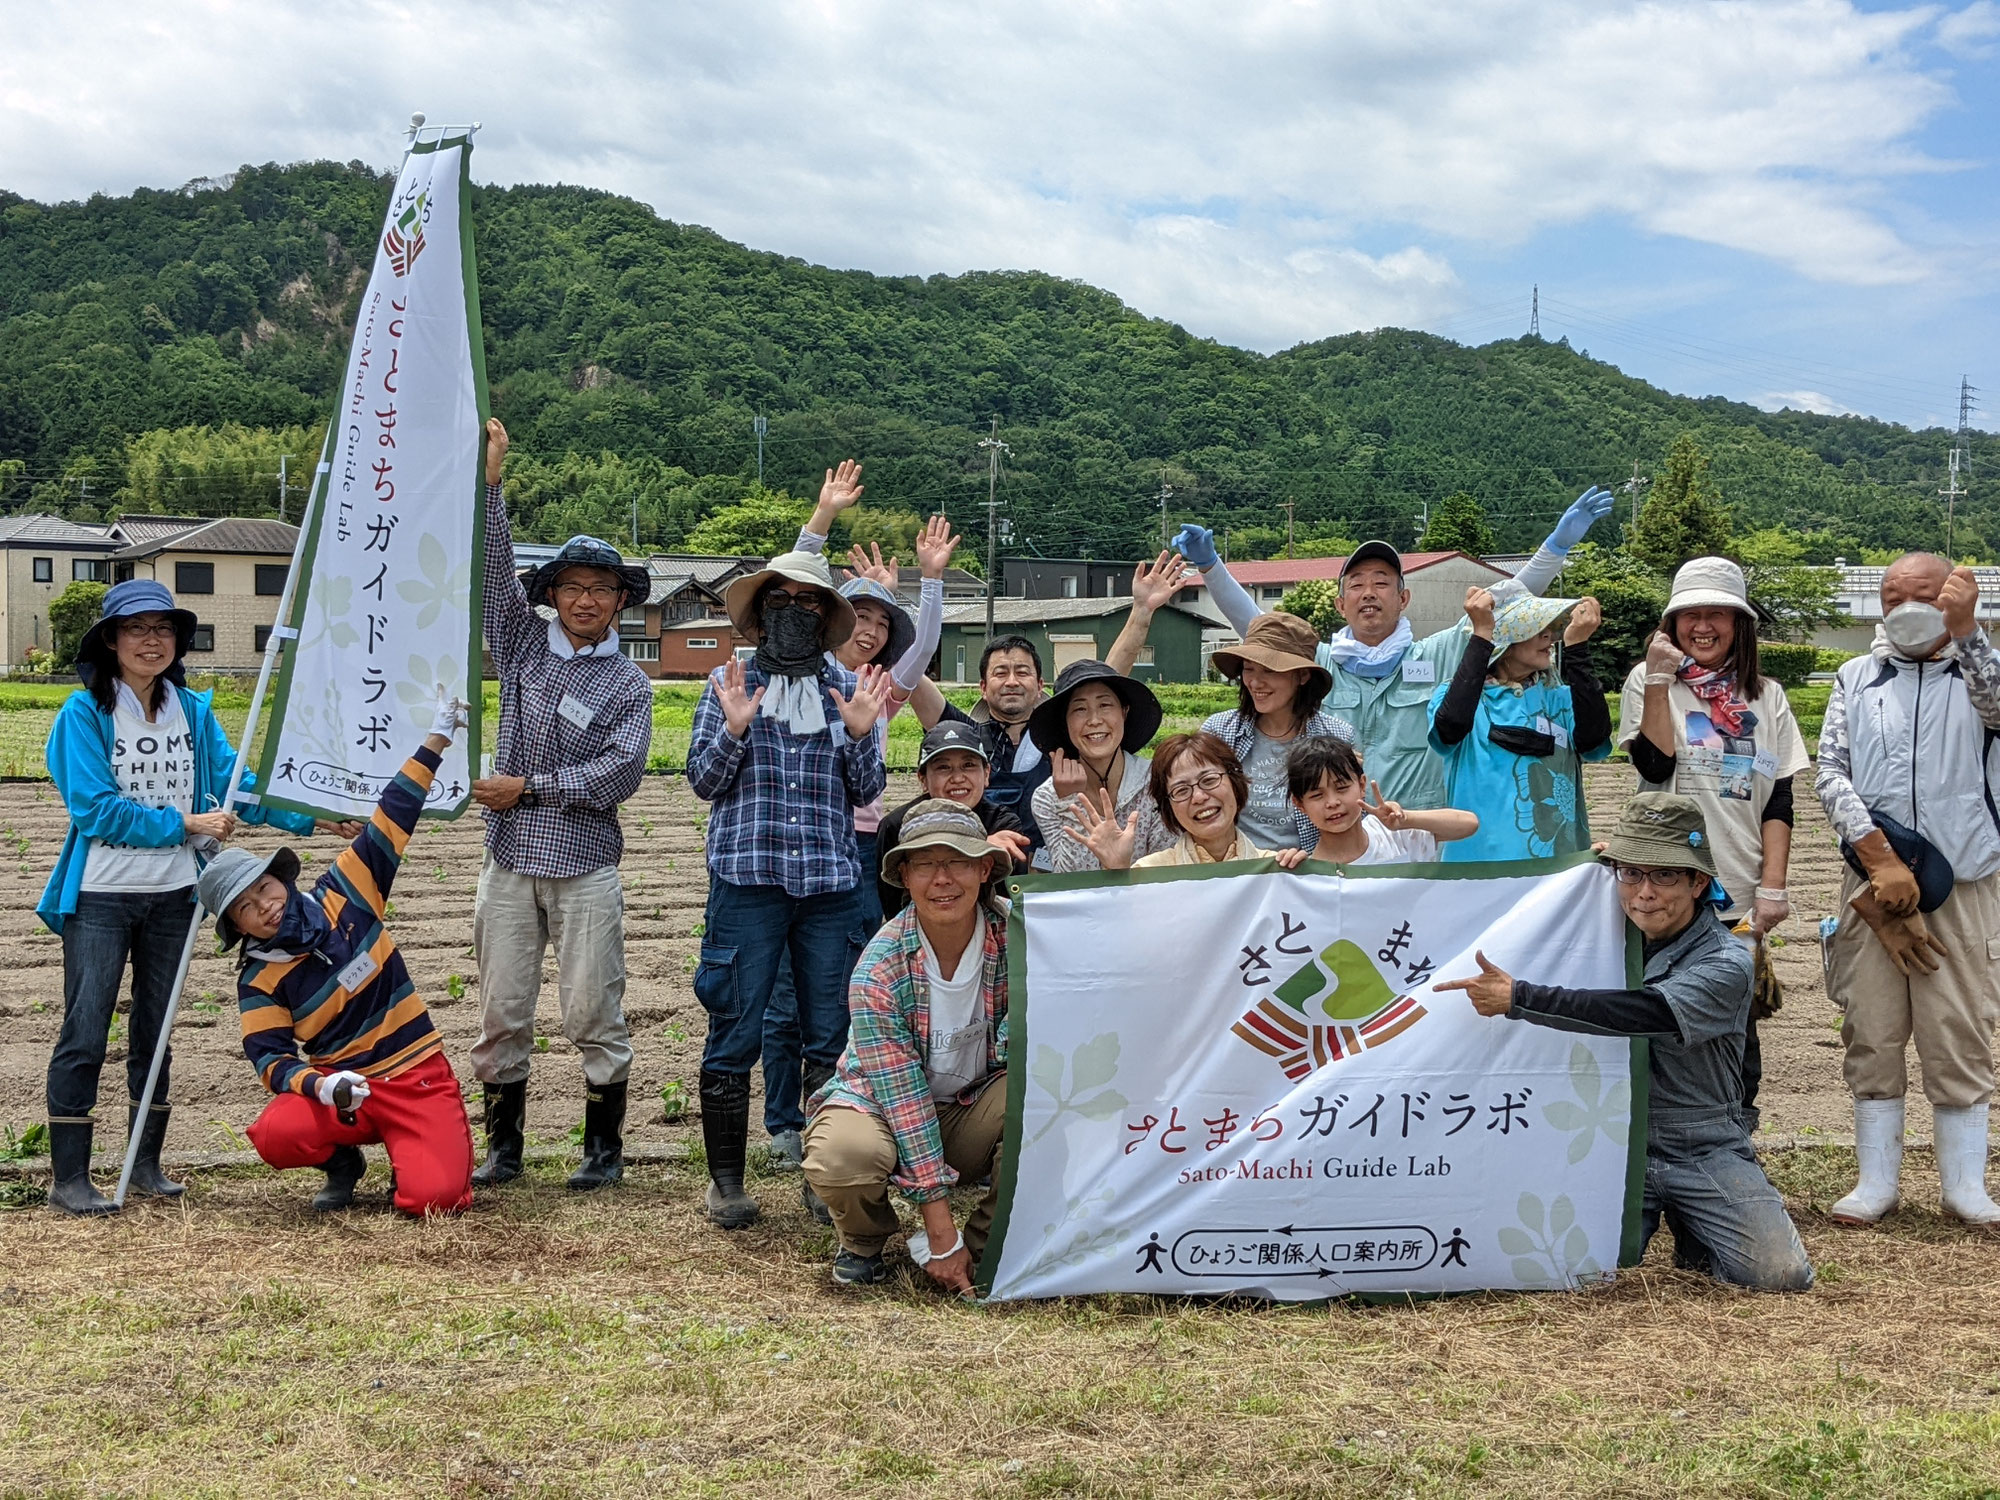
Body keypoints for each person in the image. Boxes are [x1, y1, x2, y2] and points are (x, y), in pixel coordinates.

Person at [1437, 793, 1814, 1291]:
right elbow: (1541, 909)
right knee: (1570, 1273)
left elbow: (1643, 1013)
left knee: (1779, 1275)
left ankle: (1696, 1218)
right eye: (1631, 873)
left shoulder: (1726, 961)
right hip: (1606, 1138)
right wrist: (1585, 875)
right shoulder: (1597, 925)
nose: (1644, 893)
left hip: (1699, 1140)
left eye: (1664, 875)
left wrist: (1520, 997)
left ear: (1699, 882)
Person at [38, 578, 322, 1216]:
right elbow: (95, 811)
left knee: (156, 1028)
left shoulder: (191, 710)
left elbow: (237, 783)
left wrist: (315, 816)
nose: (150, 640)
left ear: (177, 641)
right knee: (86, 1027)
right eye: (135, 628)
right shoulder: (82, 713)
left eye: (162, 628)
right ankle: (69, 1178)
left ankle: (144, 1163)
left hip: (177, 896)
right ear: (110, 640)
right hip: (101, 897)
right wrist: (185, 824)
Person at [468, 419, 656, 1194]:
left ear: (619, 603)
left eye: (600, 589)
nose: (584, 600)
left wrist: (534, 788)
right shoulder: (519, 643)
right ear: (551, 597)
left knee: (592, 1012)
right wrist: (491, 486)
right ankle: (504, 1151)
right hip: (510, 860)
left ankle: (602, 1151)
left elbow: (620, 773)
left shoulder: (628, 684)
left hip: (584, 870)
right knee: (502, 1010)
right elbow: (490, 570)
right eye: (572, 587)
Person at [200, 694, 477, 1216]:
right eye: (245, 908)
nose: (265, 906)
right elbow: (268, 1058)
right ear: (236, 928)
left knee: (434, 1201)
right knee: (275, 1132)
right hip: (348, 1093)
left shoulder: (346, 890)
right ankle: (342, 1162)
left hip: (416, 1074)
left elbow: (392, 818)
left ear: (281, 877)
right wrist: (323, 1086)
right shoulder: (258, 980)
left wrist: (435, 740)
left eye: (264, 888)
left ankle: (415, 1153)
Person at [1172, 486, 1614, 808]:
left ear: (1403, 599)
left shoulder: (1436, 655)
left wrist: (1556, 548)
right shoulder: (1320, 663)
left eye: (1382, 583)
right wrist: (1210, 567)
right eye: (1357, 585)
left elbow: (1503, 602)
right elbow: (1261, 633)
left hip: (1417, 835)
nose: (1369, 593)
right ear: (1339, 603)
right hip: (1332, 833)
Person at [758, 466, 959, 1170]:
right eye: (860, 618)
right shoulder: (790, 671)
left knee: (839, 990)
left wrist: (928, 584)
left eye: (881, 623)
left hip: (857, 853)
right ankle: (781, 1122)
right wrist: (820, 517)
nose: (870, 633)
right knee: (782, 995)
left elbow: (924, 643)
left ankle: (832, 1113)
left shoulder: (881, 689)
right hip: (792, 845)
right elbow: (784, 583)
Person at [688, 548, 887, 1229]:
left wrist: (862, 734)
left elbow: (866, 790)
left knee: (829, 1033)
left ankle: (821, 1173)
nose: (795, 612)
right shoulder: (729, 680)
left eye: (809, 603)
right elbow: (704, 782)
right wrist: (736, 729)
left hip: (829, 886)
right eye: (781, 601)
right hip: (748, 883)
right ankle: (725, 1182)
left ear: (827, 615)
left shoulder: (846, 687)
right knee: (735, 1027)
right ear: (759, 612)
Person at [1817, 554, 2000, 1227]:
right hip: (1873, 884)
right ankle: (1877, 1183)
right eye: (1891, 597)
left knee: (1959, 1024)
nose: (1904, 608)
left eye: (1921, 595)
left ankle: (1964, 1187)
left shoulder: (1978, 670)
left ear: (1951, 595)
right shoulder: (1855, 676)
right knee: (1872, 1022)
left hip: (1964, 878)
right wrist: (1878, 857)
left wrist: (1968, 631)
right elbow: (1831, 773)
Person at [1620, 556, 1811, 1129]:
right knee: (1658, 1023)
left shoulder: (1767, 697)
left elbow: (1778, 801)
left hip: (1736, 891)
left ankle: (1732, 1143)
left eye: (1717, 614)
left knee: (1733, 1035)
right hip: (1666, 888)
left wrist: (1772, 889)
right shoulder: (1647, 683)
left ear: (1739, 624)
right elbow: (1654, 767)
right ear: (1671, 624)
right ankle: (1650, 1153)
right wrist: (1657, 678)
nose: (1702, 626)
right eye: (1689, 615)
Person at [800, 800, 1009, 1289]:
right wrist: (939, 1230)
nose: (942, 879)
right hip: (882, 1106)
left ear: (983, 869)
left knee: (1048, 1104)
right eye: (924, 864)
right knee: (841, 1157)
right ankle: (863, 1239)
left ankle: (983, 1247)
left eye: (957, 860)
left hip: (973, 1102)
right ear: (905, 876)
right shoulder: (879, 968)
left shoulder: (1017, 938)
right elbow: (902, 1097)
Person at [909, 552, 1192, 857]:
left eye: (1022, 672)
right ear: (983, 687)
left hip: (1054, 875)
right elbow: (911, 674)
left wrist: (1141, 612)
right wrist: (928, 584)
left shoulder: (1063, 737)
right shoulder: (967, 737)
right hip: (979, 867)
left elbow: (1104, 682)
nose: (1012, 681)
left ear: (1040, 683)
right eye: (1000, 673)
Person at [1428, 583, 1610, 861]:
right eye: (1536, 628)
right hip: (1478, 866)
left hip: (1557, 867)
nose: (1549, 635)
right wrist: (1483, 636)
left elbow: (1593, 741)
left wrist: (1578, 649)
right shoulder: (1459, 697)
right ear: (1504, 641)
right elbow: (1449, 729)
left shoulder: (1559, 699)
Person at [1201, 612, 1357, 851]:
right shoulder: (1220, 731)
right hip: (1237, 871)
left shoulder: (1337, 736)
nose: (1255, 682)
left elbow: (1355, 820)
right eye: (1248, 669)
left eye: (1270, 671)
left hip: (1308, 872)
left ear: (1303, 675)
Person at [1028, 660, 1174, 871]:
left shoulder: (1157, 781)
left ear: (1124, 712)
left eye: (1105, 705)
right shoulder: (1048, 798)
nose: (1094, 720)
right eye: (1079, 709)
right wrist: (1070, 801)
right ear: (1065, 722)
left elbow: (1164, 873)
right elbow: (1069, 881)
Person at [875, 722, 1031, 917]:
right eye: (943, 767)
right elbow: (892, 903)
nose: (958, 778)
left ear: (987, 774)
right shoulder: (896, 825)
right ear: (922, 779)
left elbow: (1009, 898)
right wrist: (981, 848)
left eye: (968, 765)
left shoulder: (1004, 824)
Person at [1285, 737, 1479, 864]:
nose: (1333, 802)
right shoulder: (1306, 876)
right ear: (1299, 804)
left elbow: (1468, 824)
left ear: (1362, 785)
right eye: (1317, 795)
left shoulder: (1390, 835)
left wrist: (1406, 820)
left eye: (1342, 788)